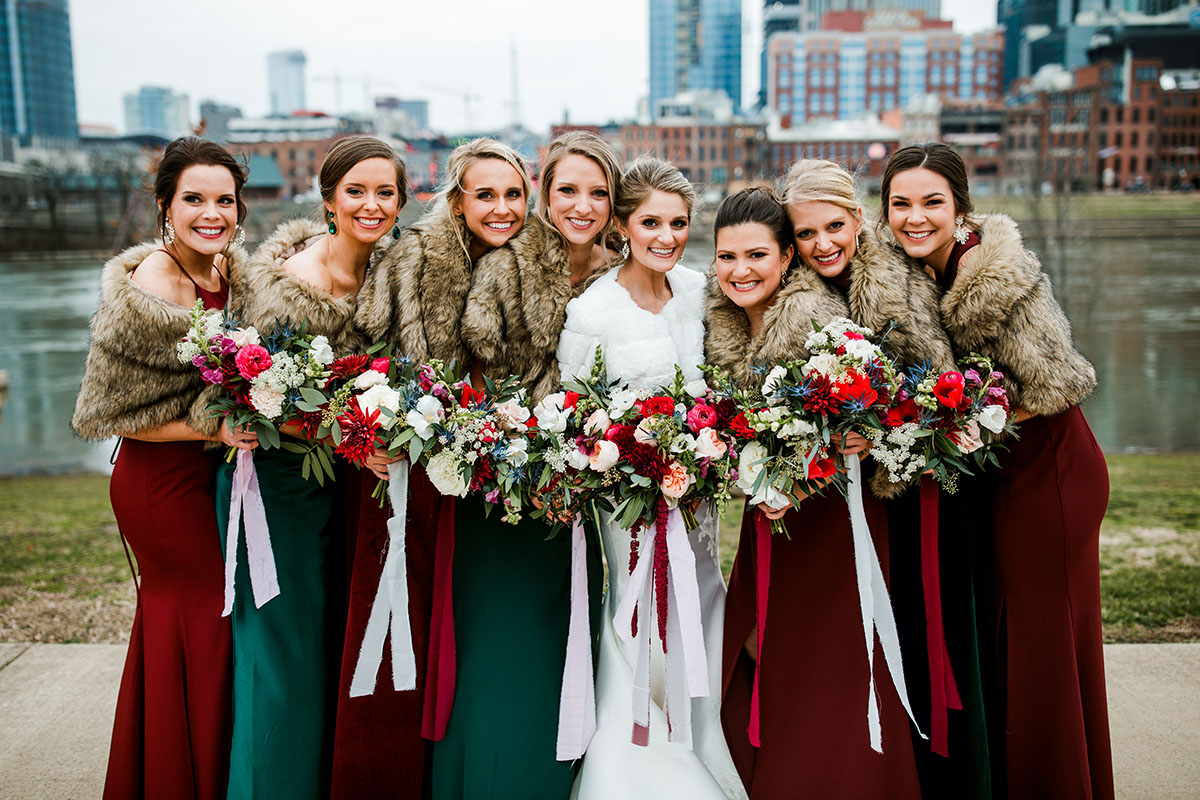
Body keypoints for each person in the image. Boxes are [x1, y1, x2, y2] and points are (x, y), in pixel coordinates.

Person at [882, 142, 1113, 800]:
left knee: (1041, 647)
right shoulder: (917, 273)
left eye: (933, 203)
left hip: (1048, 473)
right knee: (1022, 643)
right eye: (901, 204)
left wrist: (941, 407)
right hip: (1005, 477)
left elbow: (1046, 385)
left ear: (961, 209)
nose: (915, 217)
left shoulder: (993, 279)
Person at [710, 171, 949, 798]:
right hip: (772, 519)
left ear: (785, 258)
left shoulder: (824, 323)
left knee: (835, 660)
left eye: (757, 255)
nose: (740, 270)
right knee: (764, 652)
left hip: (831, 519)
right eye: (728, 257)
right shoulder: (723, 326)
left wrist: (860, 435)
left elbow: (892, 398)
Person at [416, 131, 618, 800]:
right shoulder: (503, 270)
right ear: (546, 194)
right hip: (504, 494)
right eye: (567, 190)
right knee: (497, 650)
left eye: (597, 192)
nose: (581, 204)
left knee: (565, 640)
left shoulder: (628, 270)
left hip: (594, 495)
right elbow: (460, 375)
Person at [332, 138, 532, 799]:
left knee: (480, 638)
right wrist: (362, 427)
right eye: (486, 194)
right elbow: (354, 361)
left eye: (513, 194)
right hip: (410, 482)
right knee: (399, 635)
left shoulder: (536, 267)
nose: (501, 208)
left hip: (496, 478)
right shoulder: (411, 262)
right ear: (455, 199)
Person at [215, 135, 407, 800]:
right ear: (329, 200)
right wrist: (354, 435)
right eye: (356, 190)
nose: (371, 203)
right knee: (287, 666)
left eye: (385, 191)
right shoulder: (291, 284)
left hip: (344, 492)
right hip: (279, 487)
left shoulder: (393, 275)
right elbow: (263, 400)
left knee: (335, 655)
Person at [554, 158, 745, 799]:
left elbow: (722, 381)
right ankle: (640, 761)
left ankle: (704, 738)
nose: (666, 236)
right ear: (625, 226)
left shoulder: (700, 290)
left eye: (679, 224)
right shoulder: (593, 311)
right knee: (641, 616)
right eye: (651, 222)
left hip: (697, 496)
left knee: (704, 599)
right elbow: (575, 416)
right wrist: (625, 456)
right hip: (626, 501)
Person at [72, 136, 253, 799]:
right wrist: (217, 426)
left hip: (210, 473)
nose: (212, 213)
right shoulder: (154, 280)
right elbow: (114, 413)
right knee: (205, 620)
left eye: (225, 200)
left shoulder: (228, 271)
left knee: (203, 623)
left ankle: (180, 772)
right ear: (164, 206)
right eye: (195, 199)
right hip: (161, 480)